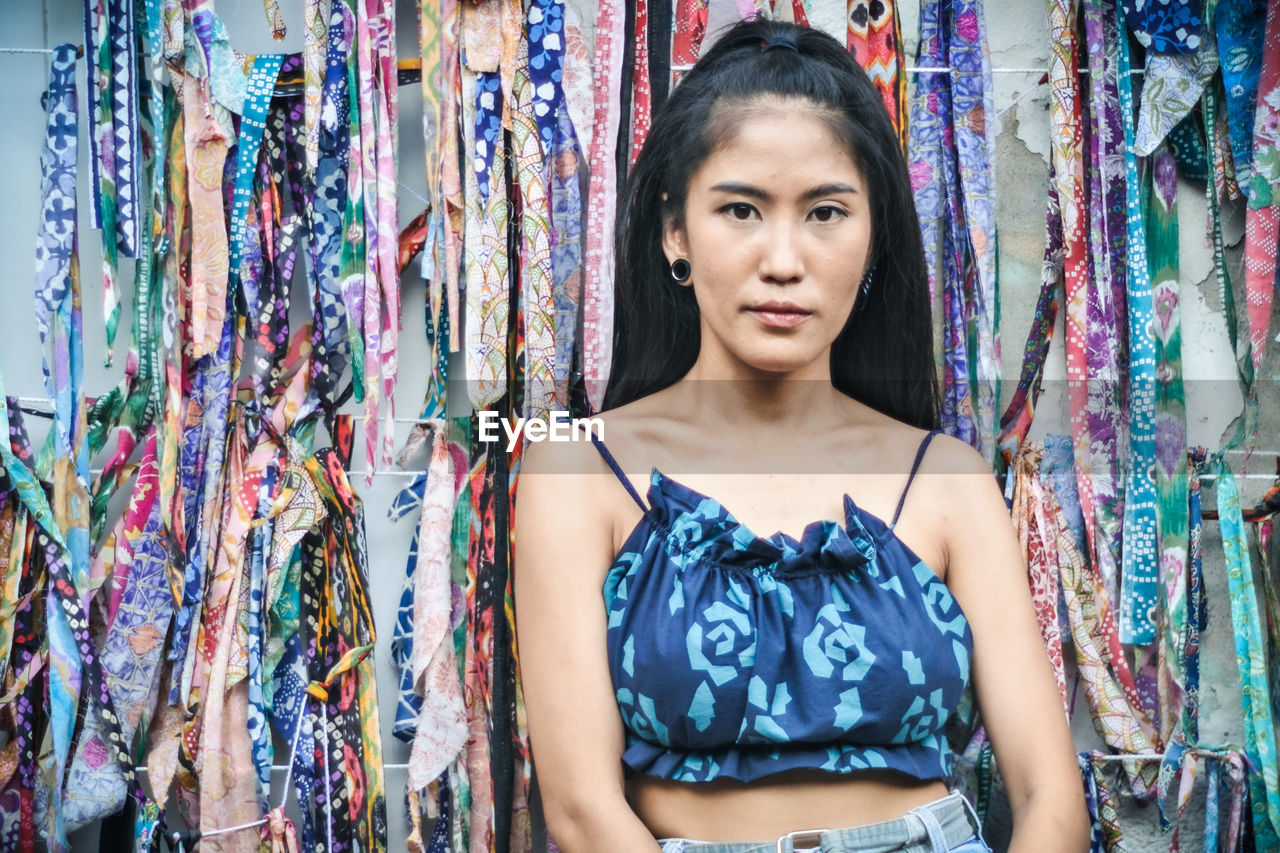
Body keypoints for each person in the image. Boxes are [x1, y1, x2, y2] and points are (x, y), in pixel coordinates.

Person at [513, 15, 1088, 853]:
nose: (783, 259)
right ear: (676, 230)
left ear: (873, 237)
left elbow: (1048, 795)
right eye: (741, 209)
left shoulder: (946, 477)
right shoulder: (579, 469)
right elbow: (580, 809)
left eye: (825, 212)